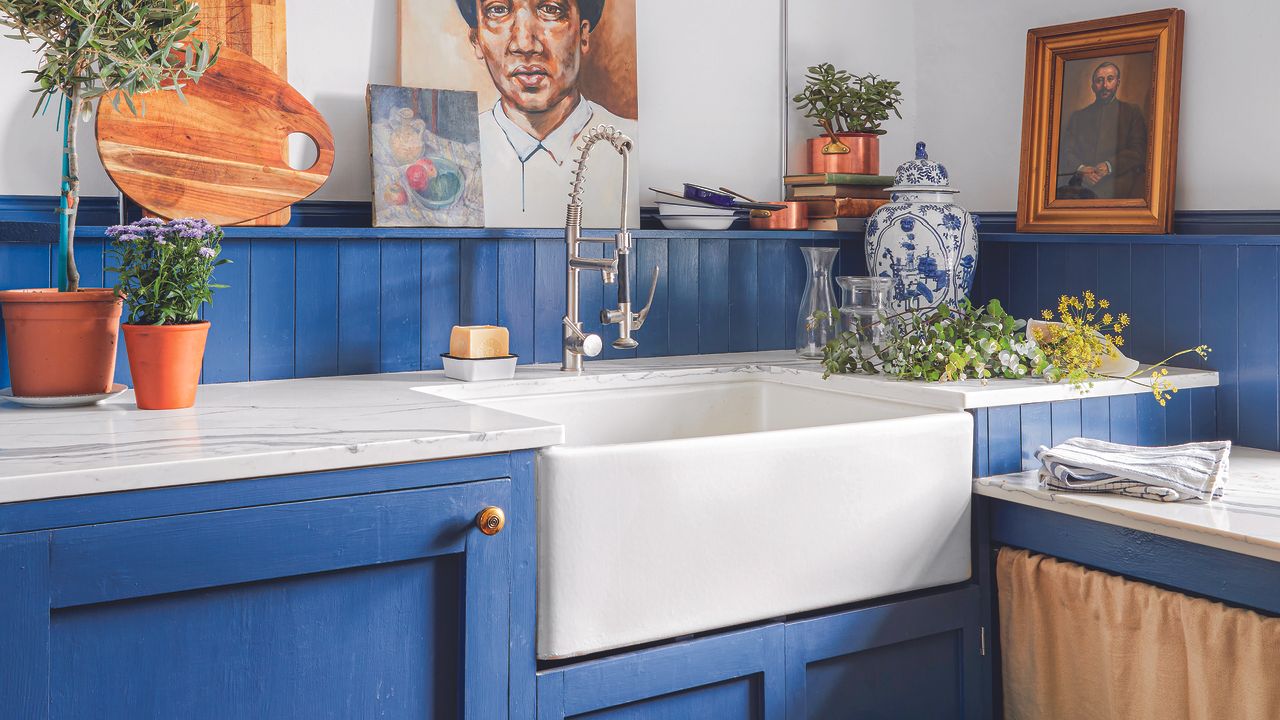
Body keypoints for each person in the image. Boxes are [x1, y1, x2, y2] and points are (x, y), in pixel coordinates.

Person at [457, 0, 638, 227]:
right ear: (477, 40)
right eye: (498, 10)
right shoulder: (454, 152)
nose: (525, 44)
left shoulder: (630, 147)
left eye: (551, 10)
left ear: (583, 34)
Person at [1059, 61, 1148, 199]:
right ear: (1093, 86)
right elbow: (1067, 152)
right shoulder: (1078, 117)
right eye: (1099, 81)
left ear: (1118, 82)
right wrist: (1082, 169)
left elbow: (1138, 150)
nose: (1105, 85)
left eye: (1110, 79)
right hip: (1081, 182)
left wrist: (1109, 166)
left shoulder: (1132, 112)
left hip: (1117, 182)